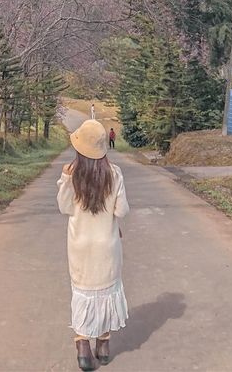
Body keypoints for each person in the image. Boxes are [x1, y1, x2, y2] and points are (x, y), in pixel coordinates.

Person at [57, 120, 129, 370]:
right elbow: (121, 210)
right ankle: (104, 345)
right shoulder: (115, 173)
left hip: (79, 246)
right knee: (106, 293)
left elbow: (65, 207)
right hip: (107, 245)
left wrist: (65, 180)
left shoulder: (71, 174)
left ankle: (83, 348)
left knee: (83, 294)